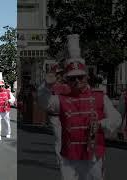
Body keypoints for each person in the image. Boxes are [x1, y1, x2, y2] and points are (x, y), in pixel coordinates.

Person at [37, 34, 121, 180]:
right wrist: (46, 85)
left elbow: (116, 118)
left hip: (93, 155)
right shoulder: (61, 100)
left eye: (80, 77)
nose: (76, 81)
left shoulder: (100, 96)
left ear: (86, 76)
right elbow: (44, 102)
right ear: (67, 80)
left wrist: (102, 124)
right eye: (72, 78)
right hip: (69, 157)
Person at [44, 63, 71, 164]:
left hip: (67, 115)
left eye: (61, 74)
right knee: (59, 138)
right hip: (55, 116)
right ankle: (60, 160)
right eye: (58, 74)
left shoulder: (67, 86)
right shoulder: (50, 86)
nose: (59, 76)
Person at [0, 72, 15, 141]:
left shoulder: (8, 91)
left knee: (6, 122)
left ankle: (8, 133)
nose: (1, 87)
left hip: (6, 110)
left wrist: (9, 100)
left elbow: (13, 99)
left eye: (2, 86)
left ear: (4, 85)